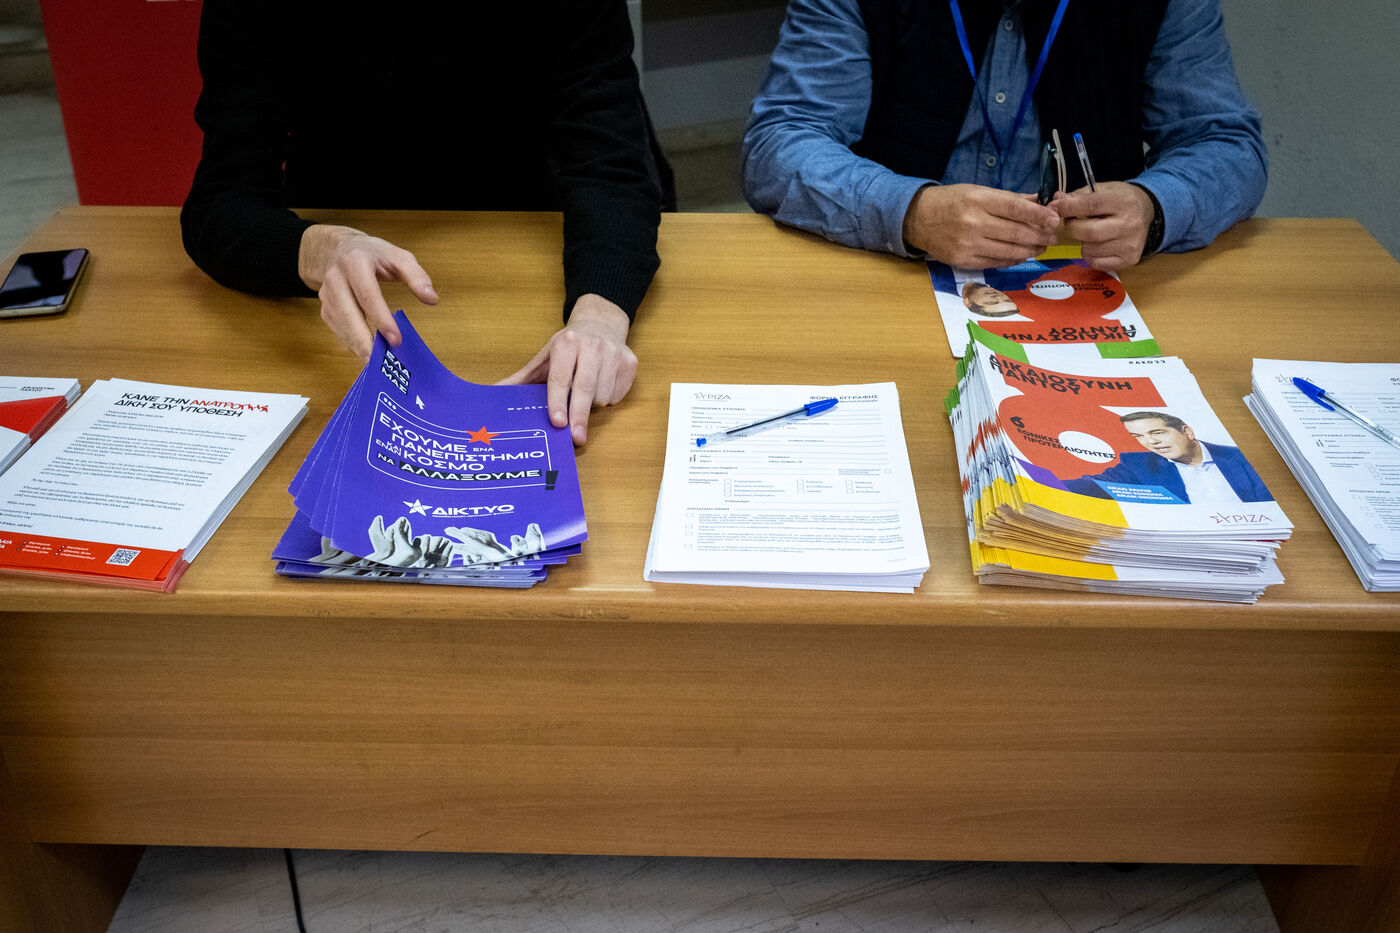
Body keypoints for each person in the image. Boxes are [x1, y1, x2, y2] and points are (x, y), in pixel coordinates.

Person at [181, 0, 672, 446]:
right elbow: (221, 200)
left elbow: (612, 172)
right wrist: (314, 249)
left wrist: (599, 314)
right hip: (336, 288)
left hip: (531, 256)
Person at [742, 0, 1266, 272]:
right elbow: (780, 142)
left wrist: (1155, 207)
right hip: (893, 270)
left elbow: (1226, 145)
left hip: (1084, 283)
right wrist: (910, 211)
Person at [1065, 412, 1272, 504]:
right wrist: (1044, 486)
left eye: (1157, 432)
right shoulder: (1140, 466)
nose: (1150, 442)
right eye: (1139, 436)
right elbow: (1092, 486)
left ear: (1187, 431)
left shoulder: (1240, 457)